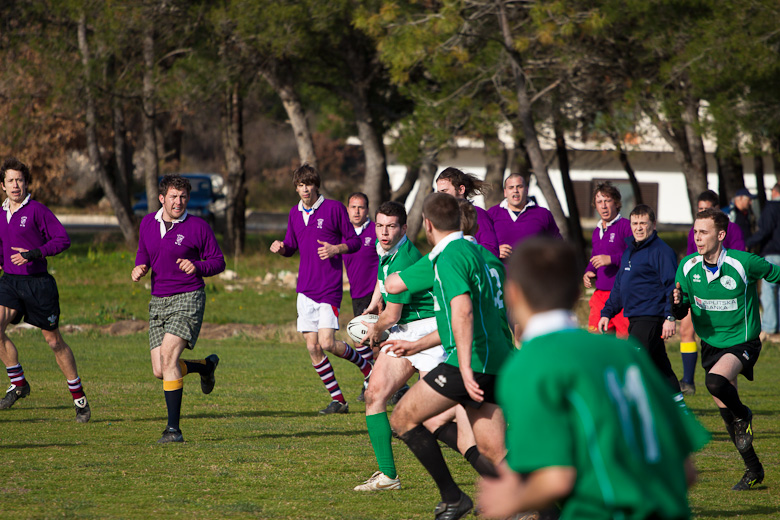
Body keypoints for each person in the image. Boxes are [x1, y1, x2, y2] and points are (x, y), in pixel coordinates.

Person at [477, 238, 710, 520]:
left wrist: (510, 500)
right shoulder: (626, 352)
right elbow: (686, 471)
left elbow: (557, 477)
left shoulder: (527, 366)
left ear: (512, 294)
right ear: (577, 294)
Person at [385, 193, 514, 520]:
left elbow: (463, 313)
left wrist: (466, 369)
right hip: (498, 360)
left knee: (402, 418)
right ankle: (546, 510)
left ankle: (453, 497)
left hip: (471, 362)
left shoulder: (449, 257)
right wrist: (415, 347)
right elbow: (474, 316)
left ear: (427, 225)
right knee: (494, 449)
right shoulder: (480, 253)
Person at [672, 207, 778, 490]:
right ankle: (753, 469)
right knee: (727, 417)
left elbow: (775, 273)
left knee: (715, 382)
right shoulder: (687, 267)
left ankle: (745, 414)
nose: (697, 237)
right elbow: (681, 309)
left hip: (743, 341)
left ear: (721, 235)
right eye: (695, 231)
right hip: (711, 345)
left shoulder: (744, 263)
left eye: (703, 232)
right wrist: (676, 305)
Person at [353, 200, 447, 491]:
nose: (384, 232)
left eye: (391, 226)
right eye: (379, 225)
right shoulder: (385, 249)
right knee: (374, 395)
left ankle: (496, 470)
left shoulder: (404, 257)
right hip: (403, 330)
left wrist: (373, 328)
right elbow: (383, 284)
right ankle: (388, 476)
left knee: (440, 420)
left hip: (428, 332)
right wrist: (370, 308)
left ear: (404, 228)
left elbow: (391, 315)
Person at [132, 174, 225, 443]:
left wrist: (198, 266)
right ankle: (205, 367)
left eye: (183, 196)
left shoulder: (198, 226)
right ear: (162, 198)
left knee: (169, 359)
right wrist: (141, 266)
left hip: (188, 297)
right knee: (160, 370)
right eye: (173, 196)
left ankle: (173, 430)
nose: (178, 202)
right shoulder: (148, 223)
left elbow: (219, 262)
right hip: (158, 300)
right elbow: (144, 252)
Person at [270, 164, 369, 414]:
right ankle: (339, 400)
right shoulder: (294, 213)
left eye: (309, 184)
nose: (305, 189)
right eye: (301, 185)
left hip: (329, 289)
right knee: (312, 347)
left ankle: (366, 366)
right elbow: (292, 246)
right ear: (296, 188)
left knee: (327, 343)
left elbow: (355, 241)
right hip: (305, 289)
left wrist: (337, 249)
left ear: (316, 185)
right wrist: (282, 248)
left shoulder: (334, 209)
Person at [0, 157, 91, 422]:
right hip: (10, 282)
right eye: (11, 181)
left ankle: (80, 399)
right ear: (3, 186)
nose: (16, 185)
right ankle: (19, 384)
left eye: (20, 180)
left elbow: (63, 240)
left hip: (38, 284)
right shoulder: (1, 213)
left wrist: (33, 253)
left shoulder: (38, 211)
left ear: (26, 183)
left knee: (53, 341)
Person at [598, 205, 684, 399]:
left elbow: (672, 286)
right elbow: (619, 287)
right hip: (634, 317)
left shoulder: (662, 251)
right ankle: (680, 411)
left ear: (653, 224)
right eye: (635, 223)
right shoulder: (629, 251)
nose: (638, 227)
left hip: (650, 317)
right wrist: (606, 312)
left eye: (643, 223)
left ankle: (632, 412)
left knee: (632, 363)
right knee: (661, 368)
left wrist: (670, 316)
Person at [679, 190, 746, 395]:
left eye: (707, 209)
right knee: (686, 331)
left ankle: (733, 405)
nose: (703, 213)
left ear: (717, 209)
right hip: (699, 287)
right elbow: (693, 256)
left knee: (725, 352)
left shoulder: (731, 229)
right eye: (700, 209)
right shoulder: (697, 233)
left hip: (724, 292)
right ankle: (688, 380)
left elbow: (740, 258)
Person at [582, 182, 631, 337]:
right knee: (597, 339)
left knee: (623, 342)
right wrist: (589, 271)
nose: (603, 206)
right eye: (599, 202)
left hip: (622, 295)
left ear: (616, 203)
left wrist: (612, 259)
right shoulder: (597, 231)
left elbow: (635, 257)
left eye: (607, 201)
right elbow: (595, 257)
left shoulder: (626, 226)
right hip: (600, 295)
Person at [341, 192, 378, 371]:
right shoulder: (343, 234)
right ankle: (371, 379)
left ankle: (385, 385)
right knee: (360, 340)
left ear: (367, 210)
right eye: (353, 207)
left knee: (376, 340)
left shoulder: (376, 231)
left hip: (375, 293)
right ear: (347, 209)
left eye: (361, 207)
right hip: (356, 293)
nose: (356, 211)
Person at [488, 173, 561, 263]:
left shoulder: (543, 214)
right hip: (502, 274)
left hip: (533, 274)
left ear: (526, 190)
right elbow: (480, 244)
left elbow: (558, 245)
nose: (515, 190)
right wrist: (494, 251)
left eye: (519, 187)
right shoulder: (491, 214)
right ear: (505, 192)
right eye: (511, 187)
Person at [435, 167, 500, 258]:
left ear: (461, 189)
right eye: (439, 193)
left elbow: (491, 250)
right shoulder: (443, 217)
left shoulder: (478, 214)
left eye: (444, 191)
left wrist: (462, 255)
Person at [745, 183, 780, 341]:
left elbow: (765, 230)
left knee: (768, 290)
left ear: (774, 192)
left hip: (773, 252)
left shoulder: (771, 207)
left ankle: (770, 326)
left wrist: (749, 242)